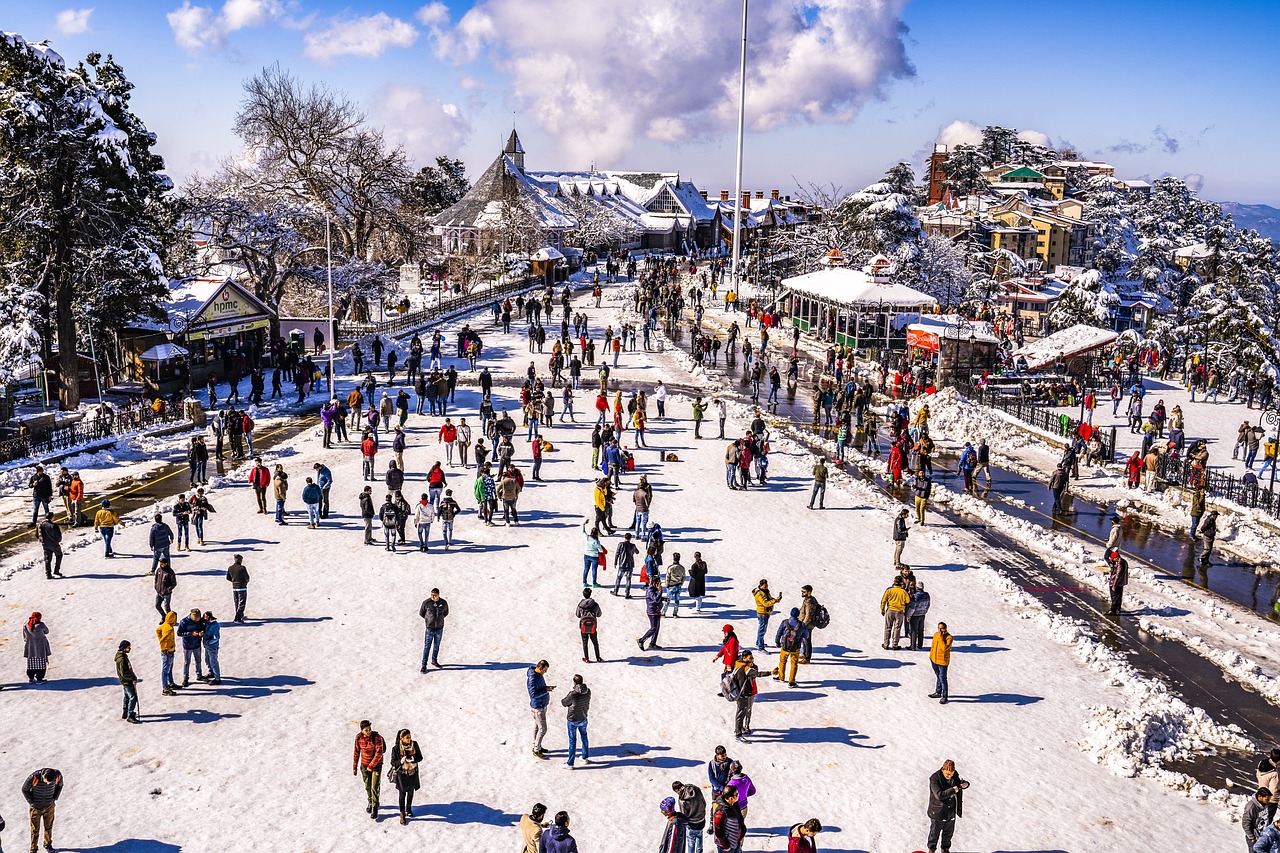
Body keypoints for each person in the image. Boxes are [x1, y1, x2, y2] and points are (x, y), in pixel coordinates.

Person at [926, 759, 970, 853]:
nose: (949, 776)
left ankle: (945, 849)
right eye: (947, 774)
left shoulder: (954, 775)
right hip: (938, 812)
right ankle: (932, 850)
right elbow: (939, 795)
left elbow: (959, 783)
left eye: (951, 773)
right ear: (942, 770)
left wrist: (965, 784)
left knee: (948, 833)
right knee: (934, 833)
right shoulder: (935, 778)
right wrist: (953, 790)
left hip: (951, 811)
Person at [22, 767, 62, 853]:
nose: (48, 783)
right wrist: (32, 803)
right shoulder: (34, 777)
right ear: (43, 776)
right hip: (36, 808)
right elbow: (24, 789)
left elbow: (60, 785)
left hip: (49, 806)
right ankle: (33, 849)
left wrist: (54, 798)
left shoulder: (57, 775)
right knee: (35, 830)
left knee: (48, 827)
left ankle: (48, 844)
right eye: (46, 781)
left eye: (50, 782)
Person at [389, 728, 423, 825]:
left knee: (411, 792)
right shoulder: (396, 749)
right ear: (401, 738)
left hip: (412, 772)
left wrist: (413, 759)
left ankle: (409, 808)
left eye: (410, 737)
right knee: (402, 793)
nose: (409, 739)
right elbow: (393, 762)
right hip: (402, 774)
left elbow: (420, 757)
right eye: (407, 738)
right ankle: (402, 813)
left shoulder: (414, 745)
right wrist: (401, 761)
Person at [353, 720, 386, 819]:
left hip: (376, 766)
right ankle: (370, 801)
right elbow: (356, 752)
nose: (369, 731)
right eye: (366, 730)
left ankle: (375, 807)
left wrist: (371, 766)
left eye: (369, 729)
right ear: (362, 730)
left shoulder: (377, 738)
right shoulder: (358, 738)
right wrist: (354, 767)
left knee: (374, 786)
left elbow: (379, 753)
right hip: (364, 765)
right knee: (367, 786)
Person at [561, 673, 591, 768]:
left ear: (574, 683)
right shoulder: (588, 691)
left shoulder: (573, 694)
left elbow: (564, 702)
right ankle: (584, 757)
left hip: (573, 719)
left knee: (572, 740)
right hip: (583, 717)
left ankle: (570, 763)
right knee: (584, 737)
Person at [527, 659, 555, 759]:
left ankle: (537, 745)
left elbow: (539, 688)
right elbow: (533, 694)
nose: (545, 672)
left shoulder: (538, 676)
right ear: (539, 668)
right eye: (545, 670)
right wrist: (546, 690)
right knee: (543, 729)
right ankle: (536, 749)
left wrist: (546, 688)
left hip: (541, 705)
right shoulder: (533, 679)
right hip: (538, 707)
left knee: (537, 727)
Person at [729, 650, 759, 743]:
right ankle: (738, 733)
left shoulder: (751, 667)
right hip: (743, 694)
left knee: (746, 710)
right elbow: (756, 675)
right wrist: (770, 672)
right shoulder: (742, 668)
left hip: (749, 692)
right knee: (741, 713)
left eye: (752, 657)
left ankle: (743, 727)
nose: (752, 659)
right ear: (744, 658)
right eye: (750, 658)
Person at [774, 607, 808, 688]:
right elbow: (806, 635)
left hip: (785, 647)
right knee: (794, 664)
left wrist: (777, 642)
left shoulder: (784, 622)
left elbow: (779, 633)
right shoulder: (801, 624)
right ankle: (791, 681)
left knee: (782, 661)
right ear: (798, 615)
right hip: (795, 648)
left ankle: (781, 677)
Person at [418, 588, 448, 671]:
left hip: (439, 629)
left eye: (434, 595)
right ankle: (424, 665)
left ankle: (434, 660)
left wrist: (439, 620)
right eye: (431, 594)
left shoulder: (443, 603)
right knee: (427, 647)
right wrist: (429, 619)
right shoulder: (426, 603)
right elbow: (422, 613)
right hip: (430, 629)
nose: (433, 596)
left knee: (436, 646)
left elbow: (446, 613)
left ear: (438, 595)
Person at [711, 785, 746, 852]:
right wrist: (726, 846)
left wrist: (742, 831)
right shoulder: (721, 811)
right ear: (730, 798)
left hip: (736, 842)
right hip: (727, 848)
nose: (738, 796)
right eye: (736, 794)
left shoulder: (734, 804)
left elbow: (740, 819)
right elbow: (718, 831)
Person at [177, 608, 205, 686]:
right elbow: (179, 633)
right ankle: (185, 678)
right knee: (187, 662)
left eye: (198, 619)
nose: (197, 620)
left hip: (197, 644)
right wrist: (190, 633)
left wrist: (202, 632)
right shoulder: (184, 621)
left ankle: (199, 675)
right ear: (192, 616)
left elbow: (203, 627)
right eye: (195, 619)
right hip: (187, 645)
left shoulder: (200, 621)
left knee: (198, 661)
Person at [881, 576, 910, 651]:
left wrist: (882, 609)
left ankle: (886, 644)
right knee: (897, 628)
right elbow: (908, 601)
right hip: (899, 612)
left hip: (890, 610)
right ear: (901, 583)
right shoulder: (904, 591)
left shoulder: (889, 590)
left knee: (888, 627)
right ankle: (895, 645)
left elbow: (883, 600)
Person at [752, 580, 781, 651]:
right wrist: (775, 601)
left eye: (766, 585)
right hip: (763, 614)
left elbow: (769, 599)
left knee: (762, 630)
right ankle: (760, 647)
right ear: (761, 585)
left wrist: (776, 599)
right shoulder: (760, 594)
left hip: (765, 613)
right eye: (764, 586)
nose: (766, 587)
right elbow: (765, 603)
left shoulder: (766, 591)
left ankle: (758, 642)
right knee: (762, 631)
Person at [638, 576, 665, 650]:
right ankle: (641, 640)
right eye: (658, 583)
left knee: (657, 628)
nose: (660, 584)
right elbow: (655, 599)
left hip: (657, 610)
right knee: (653, 628)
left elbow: (656, 598)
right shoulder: (650, 590)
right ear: (654, 583)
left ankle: (652, 643)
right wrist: (660, 591)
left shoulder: (654, 589)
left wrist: (663, 599)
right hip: (652, 611)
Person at [116, 639, 140, 723]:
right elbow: (124, 673)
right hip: (127, 681)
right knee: (132, 697)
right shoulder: (122, 659)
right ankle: (130, 715)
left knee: (126, 696)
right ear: (124, 648)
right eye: (128, 647)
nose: (130, 649)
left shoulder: (123, 656)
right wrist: (132, 678)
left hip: (125, 681)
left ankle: (125, 712)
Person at [1245, 788, 1276, 852]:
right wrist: (1252, 837)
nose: (1268, 801)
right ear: (1260, 796)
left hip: (1263, 835)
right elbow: (1245, 823)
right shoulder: (1251, 807)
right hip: (1254, 837)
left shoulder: (1265, 804)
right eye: (1266, 799)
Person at [929, 621, 953, 703]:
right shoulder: (936, 635)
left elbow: (945, 648)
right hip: (934, 660)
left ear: (945, 629)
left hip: (942, 662)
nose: (939, 630)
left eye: (941, 628)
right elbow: (933, 646)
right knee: (938, 676)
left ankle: (944, 696)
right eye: (938, 628)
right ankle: (938, 692)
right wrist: (931, 656)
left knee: (943, 679)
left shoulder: (949, 638)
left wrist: (940, 637)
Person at [23, 612, 50, 682]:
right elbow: (47, 631)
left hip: (30, 647)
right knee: (41, 662)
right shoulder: (41, 625)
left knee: (31, 663)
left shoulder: (27, 625)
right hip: (40, 647)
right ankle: (39, 678)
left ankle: (31, 678)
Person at [577, 588, 602, 663]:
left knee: (585, 643)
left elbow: (577, 615)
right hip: (593, 627)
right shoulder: (595, 604)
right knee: (595, 642)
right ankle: (598, 657)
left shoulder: (580, 605)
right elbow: (599, 614)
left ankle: (586, 658)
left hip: (583, 627)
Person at [157, 609, 178, 695]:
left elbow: (158, 630)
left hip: (169, 650)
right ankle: (165, 688)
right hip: (168, 652)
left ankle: (171, 683)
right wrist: (164, 648)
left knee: (169, 669)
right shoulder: (169, 629)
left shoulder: (165, 624)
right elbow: (162, 640)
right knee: (166, 670)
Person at [612, 532, 639, 598]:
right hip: (630, 565)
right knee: (628, 579)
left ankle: (615, 591)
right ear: (630, 538)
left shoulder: (621, 544)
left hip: (622, 564)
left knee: (618, 578)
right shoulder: (633, 545)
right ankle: (627, 594)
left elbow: (617, 554)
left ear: (624, 537)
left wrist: (615, 562)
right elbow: (637, 552)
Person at [907, 582, 931, 651]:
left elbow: (912, 608)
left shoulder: (915, 596)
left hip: (915, 615)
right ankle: (920, 645)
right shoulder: (927, 595)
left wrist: (908, 615)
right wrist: (924, 611)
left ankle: (913, 646)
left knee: (913, 630)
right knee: (921, 630)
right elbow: (928, 605)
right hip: (922, 614)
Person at [37, 512, 63, 578]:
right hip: (54, 544)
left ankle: (48, 573)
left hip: (45, 544)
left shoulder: (40, 525)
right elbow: (59, 537)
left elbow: (37, 535)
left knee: (47, 559)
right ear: (52, 517)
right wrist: (57, 541)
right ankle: (56, 570)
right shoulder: (54, 526)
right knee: (59, 555)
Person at [1105, 548, 1129, 617]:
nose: (1113, 561)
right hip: (1121, 583)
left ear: (1116, 558)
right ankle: (1117, 610)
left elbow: (1118, 575)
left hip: (1116, 583)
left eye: (1113, 559)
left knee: (1114, 597)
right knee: (1119, 596)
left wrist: (1114, 585)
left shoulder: (1119, 564)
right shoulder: (1124, 562)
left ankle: (1113, 610)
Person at [226, 555, 250, 622]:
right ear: (240, 560)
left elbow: (228, 578)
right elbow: (247, 578)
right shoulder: (242, 568)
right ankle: (238, 618)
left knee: (236, 602)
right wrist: (245, 583)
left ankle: (240, 614)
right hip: (242, 587)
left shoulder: (230, 568)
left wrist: (234, 582)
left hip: (234, 587)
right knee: (242, 602)